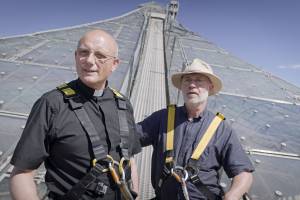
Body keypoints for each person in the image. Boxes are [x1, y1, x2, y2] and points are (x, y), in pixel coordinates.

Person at [10, 29, 141, 200]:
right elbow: (22, 173)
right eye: (83, 52)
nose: (89, 60)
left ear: (115, 64)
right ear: (75, 56)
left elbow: (129, 159)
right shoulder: (52, 104)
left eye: (100, 55)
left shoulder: (123, 104)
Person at [137, 58, 254, 200]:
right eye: (187, 80)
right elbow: (129, 139)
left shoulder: (221, 129)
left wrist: (232, 195)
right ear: (181, 86)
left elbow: (244, 173)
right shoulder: (163, 117)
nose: (192, 85)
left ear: (210, 87)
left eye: (198, 80)